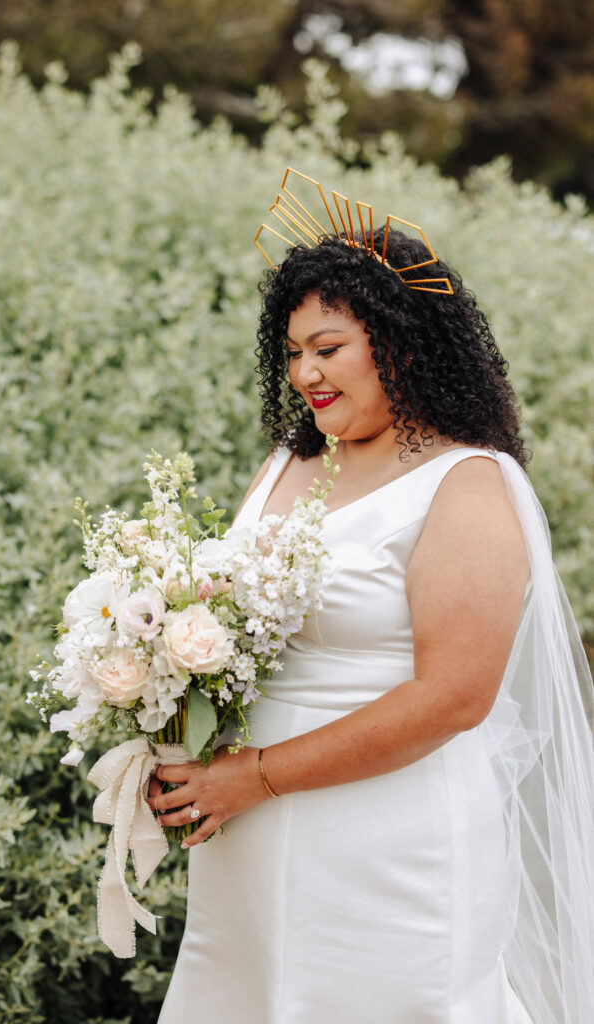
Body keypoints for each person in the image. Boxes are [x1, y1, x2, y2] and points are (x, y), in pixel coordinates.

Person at [149, 183, 594, 1023]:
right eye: (290, 353)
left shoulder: (465, 484)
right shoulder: (286, 465)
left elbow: (453, 698)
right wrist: (167, 734)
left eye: (327, 347)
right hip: (245, 839)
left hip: (389, 846)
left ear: (400, 343)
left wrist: (259, 778)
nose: (305, 374)